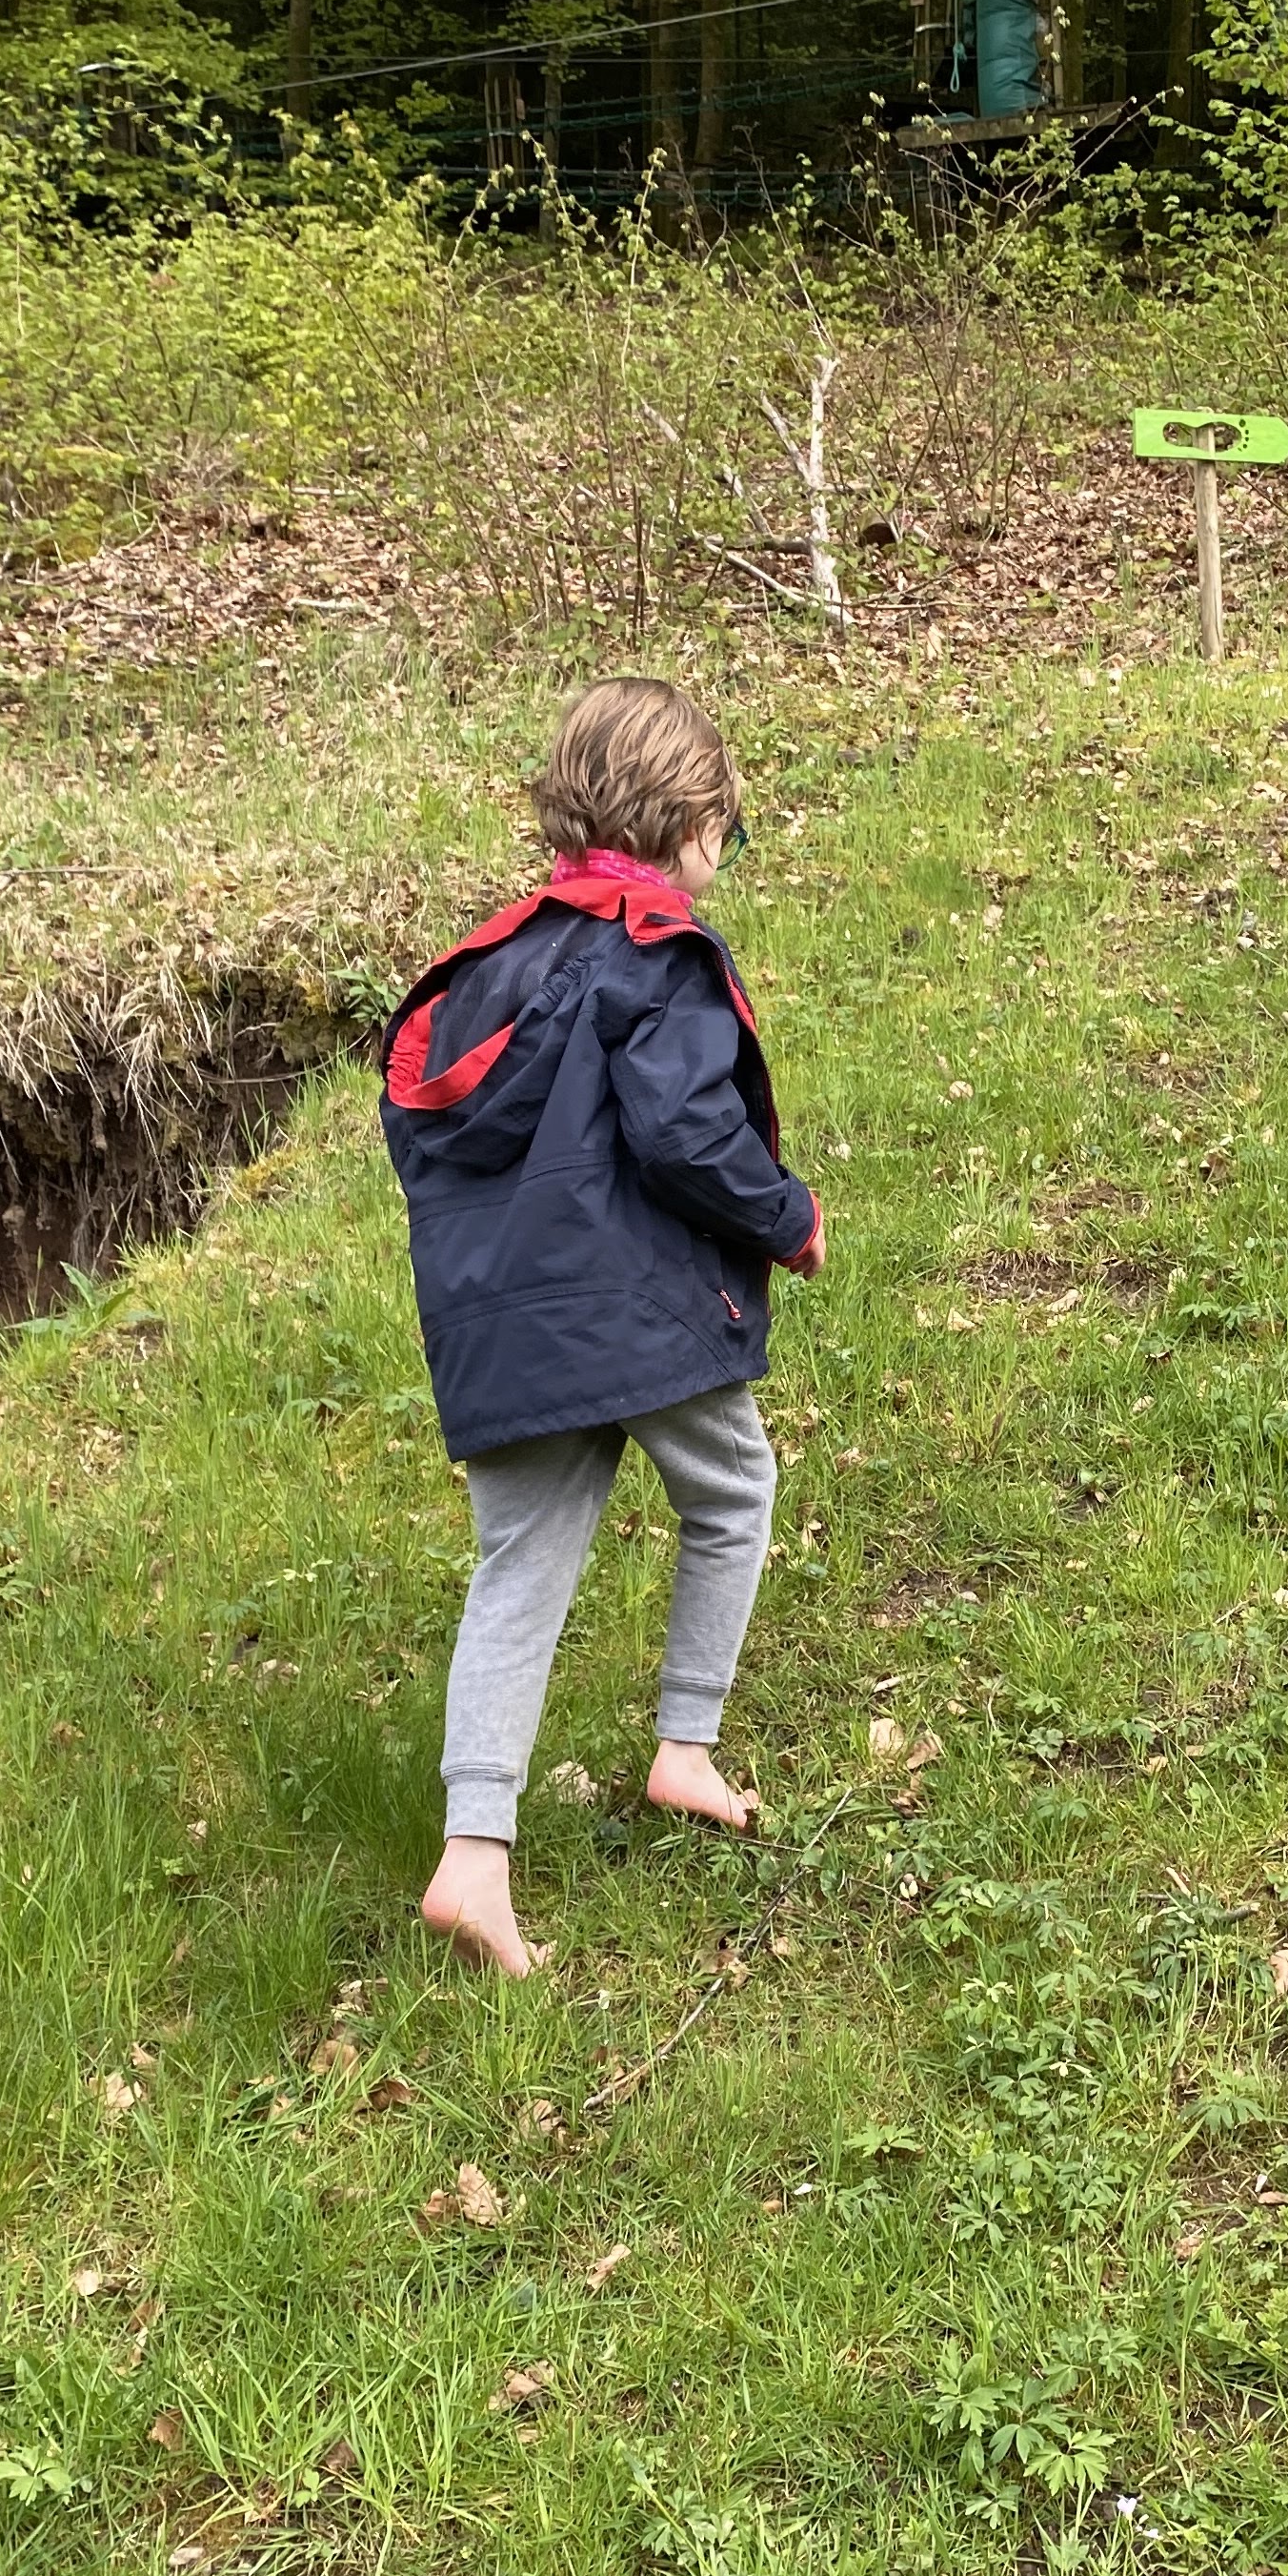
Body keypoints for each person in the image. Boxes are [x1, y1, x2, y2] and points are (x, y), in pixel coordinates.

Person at [381, 677, 824, 1976]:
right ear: (688, 824)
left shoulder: (483, 966)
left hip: (500, 1324)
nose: (722, 852)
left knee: (519, 1560)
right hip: (632, 1307)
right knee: (733, 1489)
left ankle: (474, 1859)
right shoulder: (656, 953)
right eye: (726, 829)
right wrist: (788, 1217)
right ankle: (685, 1746)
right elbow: (687, 1132)